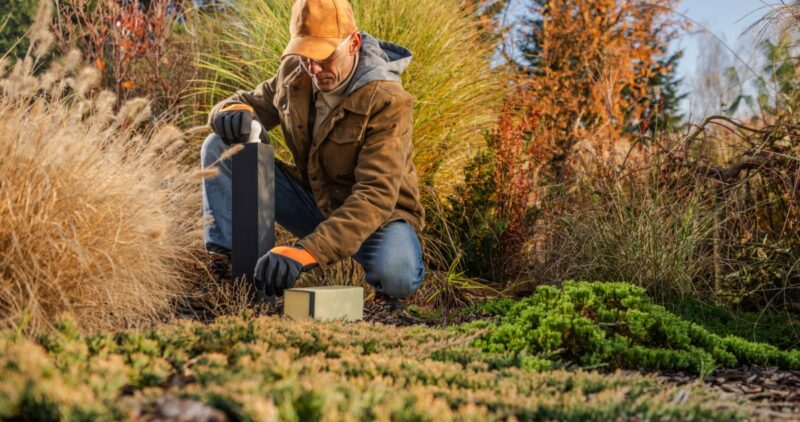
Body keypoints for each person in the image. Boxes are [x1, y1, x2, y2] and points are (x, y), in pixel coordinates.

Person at [200, 0, 425, 310]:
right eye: (306, 55)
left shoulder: (388, 101)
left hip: (376, 218)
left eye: (323, 56)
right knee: (220, 145)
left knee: (398, 273)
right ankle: (232, 275)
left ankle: (385, 302)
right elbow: (249, 102)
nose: (314, 69)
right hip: (311, 201)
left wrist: (306, 252)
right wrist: (230, 110)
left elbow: (374, 196)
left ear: (354, 43)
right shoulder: (295, 72)